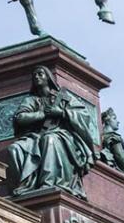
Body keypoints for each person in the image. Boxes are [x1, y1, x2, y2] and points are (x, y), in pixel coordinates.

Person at [6, 66, 96, 199]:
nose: (36, 77)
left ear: (48, 77)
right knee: (14, 149)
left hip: (61, 135)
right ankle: (25, 185)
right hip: (35, 137)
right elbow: (20, 118)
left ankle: (48, 183)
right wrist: (41, 114)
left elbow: (83, 115)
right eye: (34, 75)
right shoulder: (31, 100)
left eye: (40, 74)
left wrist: (61, 113)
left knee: (49, 139)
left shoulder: (63, 97)